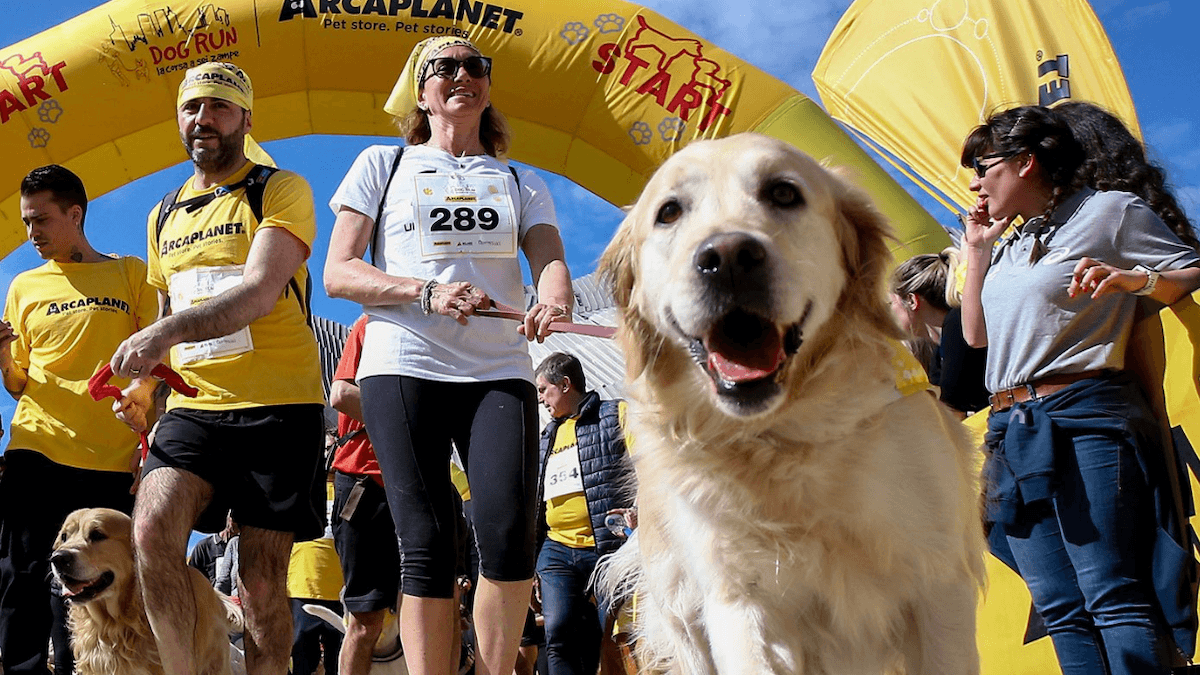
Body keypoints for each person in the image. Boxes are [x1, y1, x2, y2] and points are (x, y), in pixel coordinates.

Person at [323, 36, 573, 675]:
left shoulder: (519, 178)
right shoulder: (382, 164)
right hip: (404, 363)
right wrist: (424, 291)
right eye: (446, 67)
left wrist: (553, 299)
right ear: (421, 90)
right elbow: (339, 272)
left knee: (509, 536)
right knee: (427, 542)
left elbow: (549, 261)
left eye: (476, 66)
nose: (464, 75)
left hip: (497, 368)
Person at [959, 104, 1200, 674]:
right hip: (1011, 429)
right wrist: (976, 251)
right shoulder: (1012, 242)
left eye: (983, 165)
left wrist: (1137, 278)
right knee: (1060, 606)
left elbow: (1192, 269)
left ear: (1025, 163)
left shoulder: (1110, 212)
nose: (974, 181)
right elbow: (975, 336)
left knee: (1110, 593)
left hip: (1085, 417)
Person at [108, 62, 326, 675]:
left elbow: (259, 292)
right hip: (196, 409)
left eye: (220, 107)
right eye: (192, 107)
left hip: (278, 406)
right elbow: (165, 309)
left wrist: (162, 333)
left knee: (260, 586)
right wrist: (143, 389)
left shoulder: (279, 189)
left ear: (246, 119)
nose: (204, 119)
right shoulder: (161, 214)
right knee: (149, 534)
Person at [0, 164, 158, 675]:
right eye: (26, 222)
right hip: (35, 445)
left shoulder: (131, 273)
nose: (31, 234)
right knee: (22, 574)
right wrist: (3, 356)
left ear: (75, 214)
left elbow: (155, 362)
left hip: (109, 459)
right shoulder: (24, 285)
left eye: (41, 220)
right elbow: (18, 381)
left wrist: (144, 412)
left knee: (89, 586)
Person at [533, 352, 633, 675]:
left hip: (608, 549)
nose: (540, 399)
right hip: (557, 550)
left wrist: (638, 509)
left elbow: (648, 464)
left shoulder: (615, 414)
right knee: (558, 634)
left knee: (617, 635)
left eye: (543, 390)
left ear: (565, 385)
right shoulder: (546, 437)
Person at [328, 315, 402, 675]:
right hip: (365, 484)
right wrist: (407, 415)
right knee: (366, 619)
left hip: (419, 482)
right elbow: (340, 394)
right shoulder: (371, 324)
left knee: (441, 606)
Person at [889, 248, 989, 416]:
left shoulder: (957, 325)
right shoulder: (940, 349)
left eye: (890, 304)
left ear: (912, 301)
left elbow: (953, 411)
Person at [288, 469, 345, 675]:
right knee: (301, 663)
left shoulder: (350, 490)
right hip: (301, 588)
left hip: (343, 591)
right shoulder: (301, 490)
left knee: (340, 664)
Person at [189, 511, 240, 586]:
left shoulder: (241, 546)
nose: (239, 524)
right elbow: (192, 577)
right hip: (211, 595)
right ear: (228, 519)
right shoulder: (203, 547)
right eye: (235, 519)